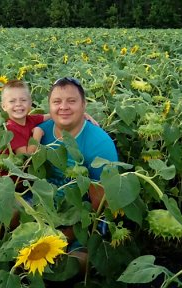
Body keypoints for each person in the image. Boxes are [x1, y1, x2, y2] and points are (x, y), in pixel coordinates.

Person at [0, 79, 99, 234]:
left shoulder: (30, 120)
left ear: (30, 103)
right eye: (12, 101)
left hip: (21, 184)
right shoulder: (10, 129)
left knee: (12, 222)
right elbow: (26, 155)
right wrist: (37, 135)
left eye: (23, 100)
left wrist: (80, 114)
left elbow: (53, 115)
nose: (18, 104)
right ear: (3, 106)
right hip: (7, 184)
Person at [37, 77, 118, 273]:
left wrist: (61, 240)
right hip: (45, 201)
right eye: (57, 102)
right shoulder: (40, 131)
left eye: (71, 101)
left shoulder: (99, 143)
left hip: (85, 209)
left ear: (84, 105)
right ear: (49, 107)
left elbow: (101, 204)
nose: (63, 107)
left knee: (74, 262)